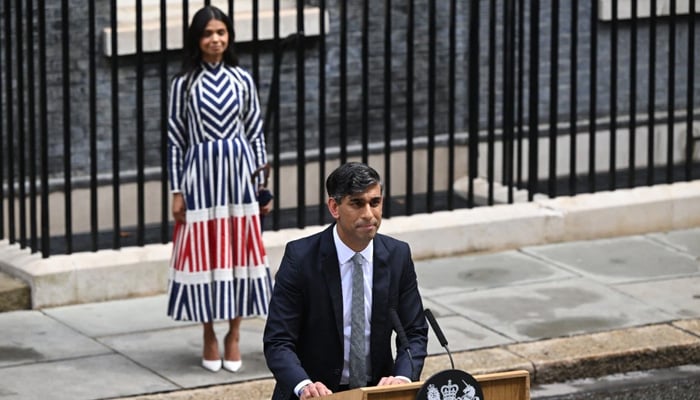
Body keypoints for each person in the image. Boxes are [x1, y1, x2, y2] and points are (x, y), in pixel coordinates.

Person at [263, 162, 428, 399]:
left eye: (375, 202)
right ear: (334, 207)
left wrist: (402, 378)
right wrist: (304, 385)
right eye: (357, 203)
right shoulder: (300, 259)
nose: (369, 214)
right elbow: (278, 340)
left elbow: (414, 332)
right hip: (317, 392)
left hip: (376, 391)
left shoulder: (397, 256)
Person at [166, 5, 272, 373]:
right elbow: (175, 139)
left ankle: (234, 334)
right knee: (205, 254)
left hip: (239, 177)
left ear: (229, 36)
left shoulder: (242, 79)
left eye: (221, 32)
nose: (215, 39)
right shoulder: (183, 84)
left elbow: (255, 133)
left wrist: (262, 186)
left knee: (238, 251)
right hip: (200, 179)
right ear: (197, 39)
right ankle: (209, 333)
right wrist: (177, 190)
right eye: (208, 33)